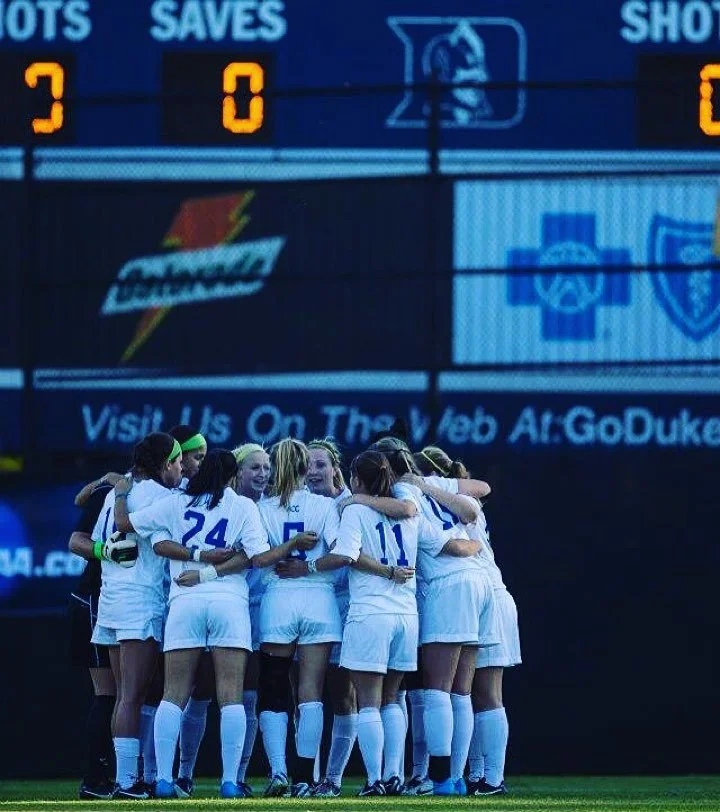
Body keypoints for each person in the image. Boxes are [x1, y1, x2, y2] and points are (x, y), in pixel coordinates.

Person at [113, 448, 309, 798]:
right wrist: (292, 544)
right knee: (231, 697)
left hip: (184, 600)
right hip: (228, 602)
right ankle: (230, 782)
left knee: (173, 695)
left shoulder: (176, 503)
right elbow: (258, 558)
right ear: (233, 476)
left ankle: (162, 779)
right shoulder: (242, 506)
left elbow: (125, 525)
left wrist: (122, 492)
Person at [281, 450, 427, 796]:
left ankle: (375, 779)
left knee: (368, 701)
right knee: (392, 699)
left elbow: (346, 555)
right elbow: (407, 511)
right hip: (405, 613)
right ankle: (394, 776)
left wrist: (310, 567)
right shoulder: (409, 515)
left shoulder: (354, 509)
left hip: (369, 612)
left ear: (355, 480)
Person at [368, 437, 497, 796]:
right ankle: (454, 778)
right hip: (477, 582)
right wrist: (472, 546)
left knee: (437, 689)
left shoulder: (402, 493)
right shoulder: (430, 483)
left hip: (447, 584)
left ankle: (439, 779)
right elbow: (474, 507)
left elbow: (447, 543)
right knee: (460, 691)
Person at [73, 432, 182, 799]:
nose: (181, 470)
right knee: (133, 696)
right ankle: (126, 782)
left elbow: (91, 526)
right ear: (165, 464)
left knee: (123, 696)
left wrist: (113, 485)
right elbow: (138, 531)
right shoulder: (161, 497)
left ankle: (125, 778)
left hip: (111, 597)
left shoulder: (115, 493)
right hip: (139, 600)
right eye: (178, 462)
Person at [415, 445, 520, 796]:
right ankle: (479, 776)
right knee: (474, 692)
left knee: (480, 693)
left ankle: (486, 777)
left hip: (475, 592)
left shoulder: (432, 495)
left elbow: (478, 494)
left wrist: (424, 482)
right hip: (490, 592)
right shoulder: (454, 499)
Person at [255, 438, 342, 798]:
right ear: (307, 467)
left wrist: (288, 553)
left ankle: (279, 772)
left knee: (274, 686)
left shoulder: (262, 508)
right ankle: (306, 778)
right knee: (311, 693)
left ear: (275, 467)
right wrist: (307, 566)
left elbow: (258, 557)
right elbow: (342, 553)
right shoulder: (324, 506)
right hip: (319, 602)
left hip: (278, 600)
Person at [305, 438, 357, 798]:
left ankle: (333, 779)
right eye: (308, 465)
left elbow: (349, 556)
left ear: (335, 467)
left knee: (344, 696)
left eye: (321, 464)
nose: (313, 472)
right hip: (308, 608)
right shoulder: (299, 503)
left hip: (346, 608)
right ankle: (307, 776)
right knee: (305, 695)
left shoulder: (351, 505)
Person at [166, 425, 209, 798]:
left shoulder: (222, 497)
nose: (199, 464)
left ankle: (176, 774)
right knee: (163, 692)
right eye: (194, 456)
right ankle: (151, 774)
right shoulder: (168, 496)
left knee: (202, 694)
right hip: (171, 600)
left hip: (185, 602)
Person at [68, 478, 117, 800]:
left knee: (133, 693)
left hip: (124, 602)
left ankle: (130, 775)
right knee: (109, 692)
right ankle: (95, 778)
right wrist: (106, 551)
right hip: (95, 600)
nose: (188, 467)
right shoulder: (112, 492)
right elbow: (76, 541)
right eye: (188, 458)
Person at [231, 442, 272, 796]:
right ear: (238, 471)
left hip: (260, 609)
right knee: (196, 692)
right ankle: (177, 773)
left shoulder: (272, 507)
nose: (262, 474)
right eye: (254, 468)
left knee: (249, 695)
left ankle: (239, 775)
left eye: (266, 467)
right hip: (224, 604)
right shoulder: (222, 504)